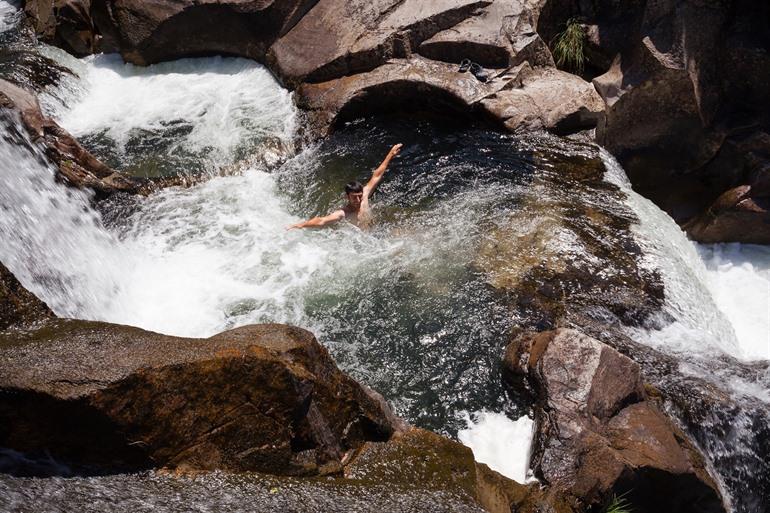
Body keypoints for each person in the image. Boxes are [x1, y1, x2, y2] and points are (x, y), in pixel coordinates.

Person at [287, 143, 403, 230]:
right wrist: (300, 225)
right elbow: (321, 220)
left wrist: (390, 154)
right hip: (365, 241)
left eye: (359, 196)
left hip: (376, 229)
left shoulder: (365, 194)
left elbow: (377, 175)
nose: (358, 200)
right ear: (346, 197)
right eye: (354, 197)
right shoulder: (343, 213)